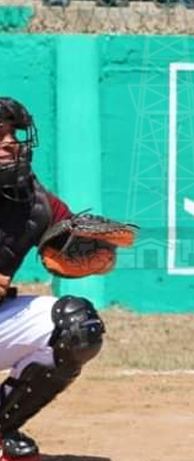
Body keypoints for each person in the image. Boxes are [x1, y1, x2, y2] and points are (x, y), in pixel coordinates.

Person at [0, 98, 107, 461]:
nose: (10, 142)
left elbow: (77, 240)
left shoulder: (33, 202)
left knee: (76, 326)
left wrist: (93, 250)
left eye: (13, 133)